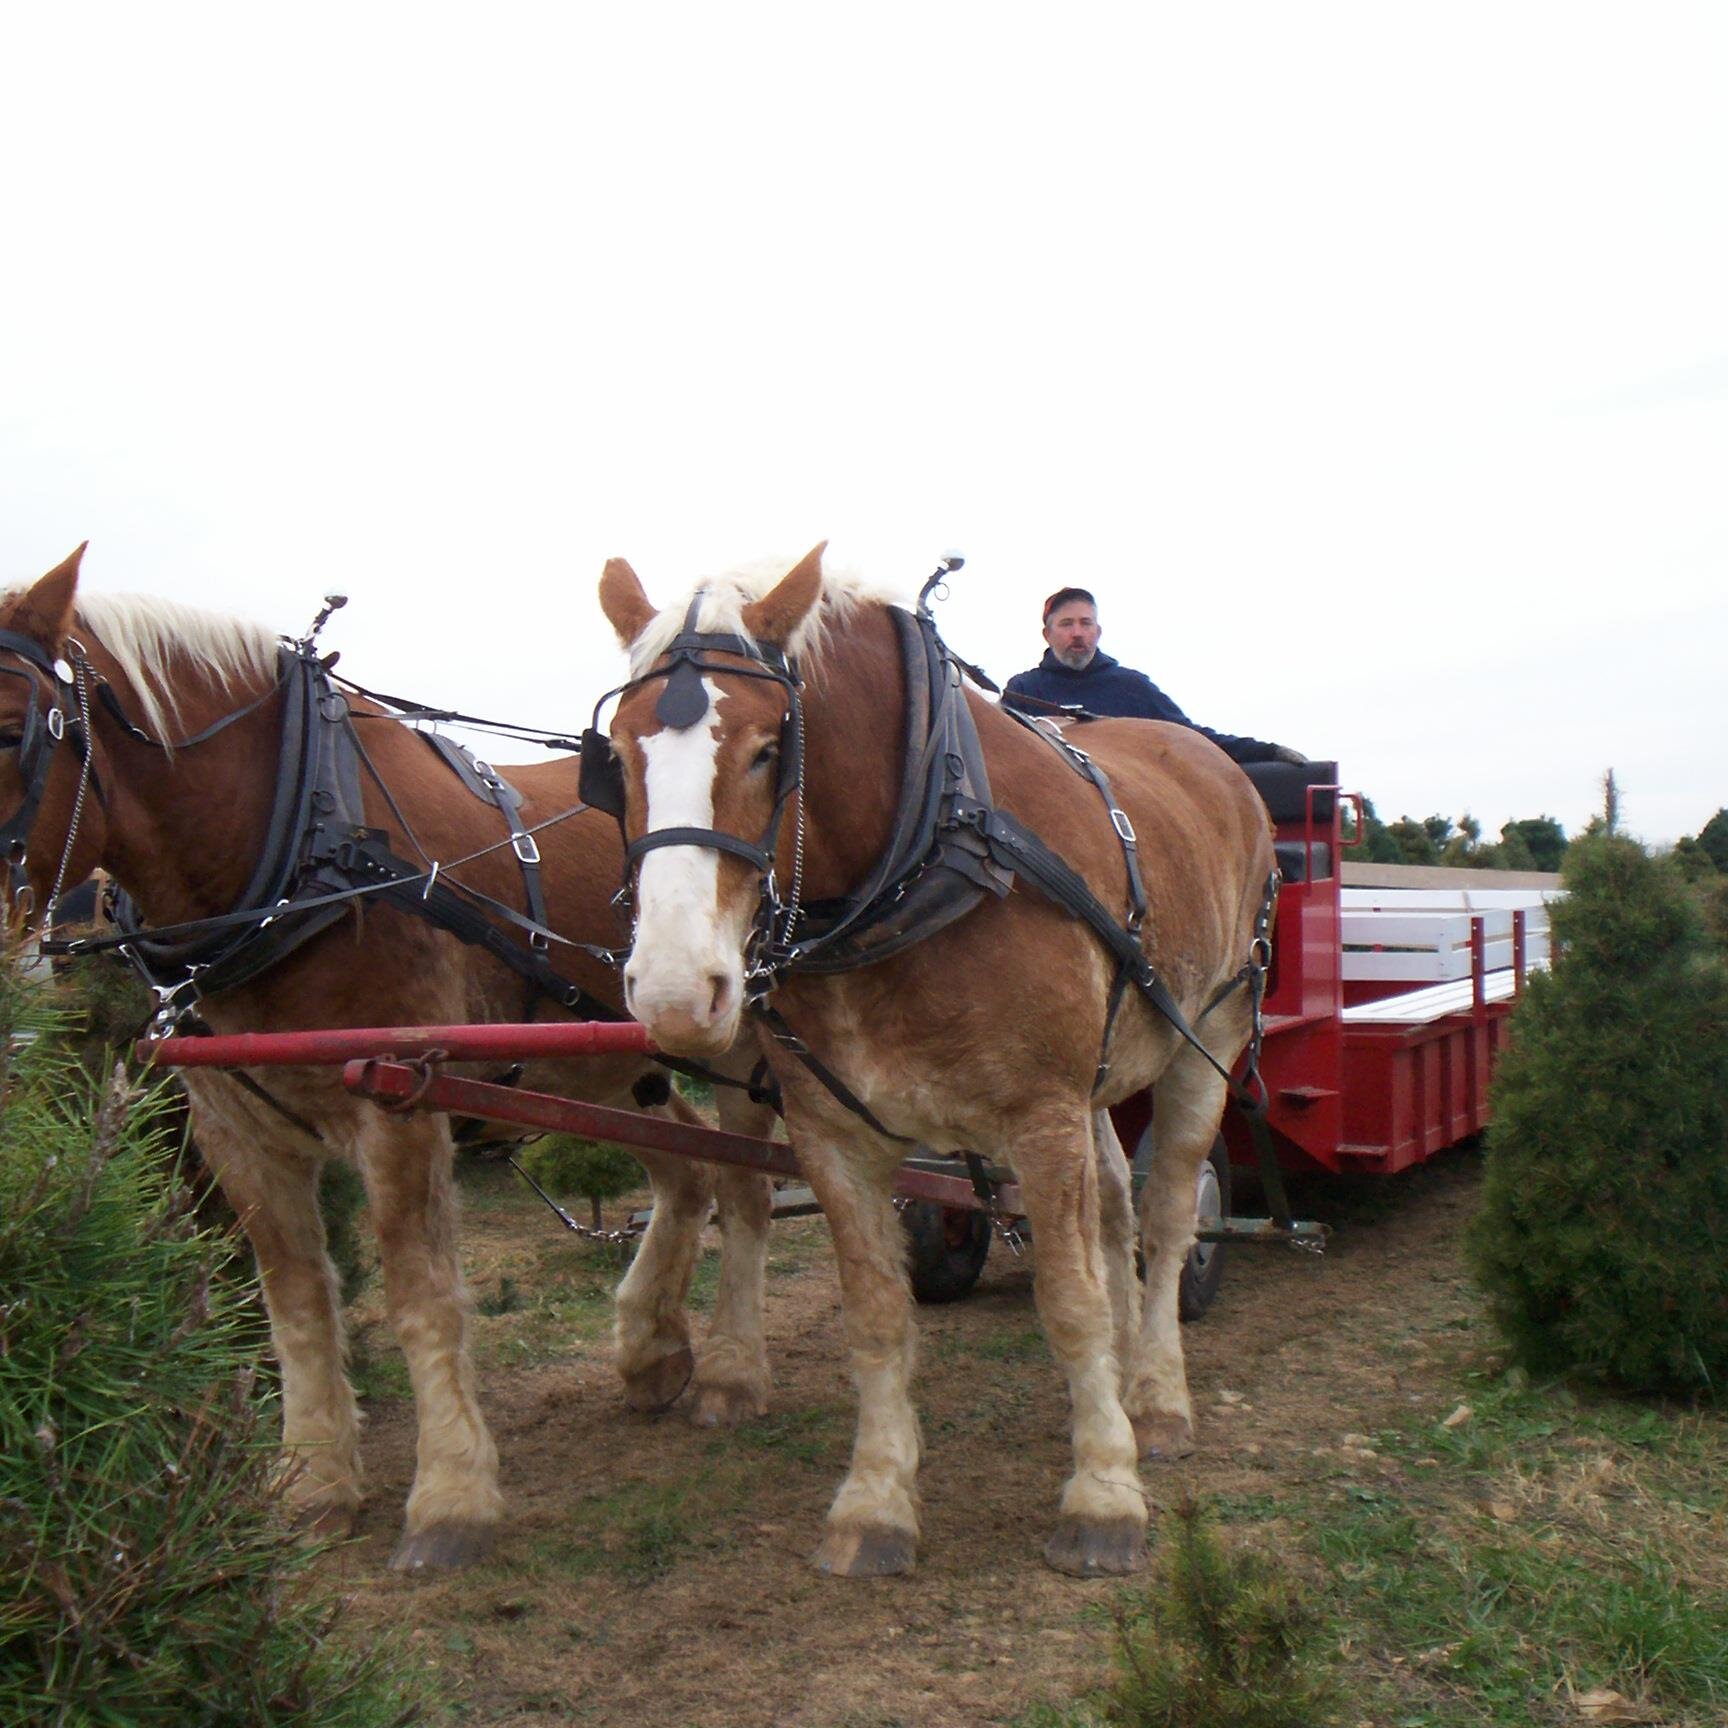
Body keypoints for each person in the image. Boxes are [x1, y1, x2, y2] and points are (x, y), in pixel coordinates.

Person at [1001, 587, 1307, 765]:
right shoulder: (1023, 691)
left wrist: (1267, 752)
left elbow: (1189, 739)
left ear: (1098, 631)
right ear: (1047, 634)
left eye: (1086, 623)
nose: (1078, 633)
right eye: (1067, 624)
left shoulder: (1132, 688)